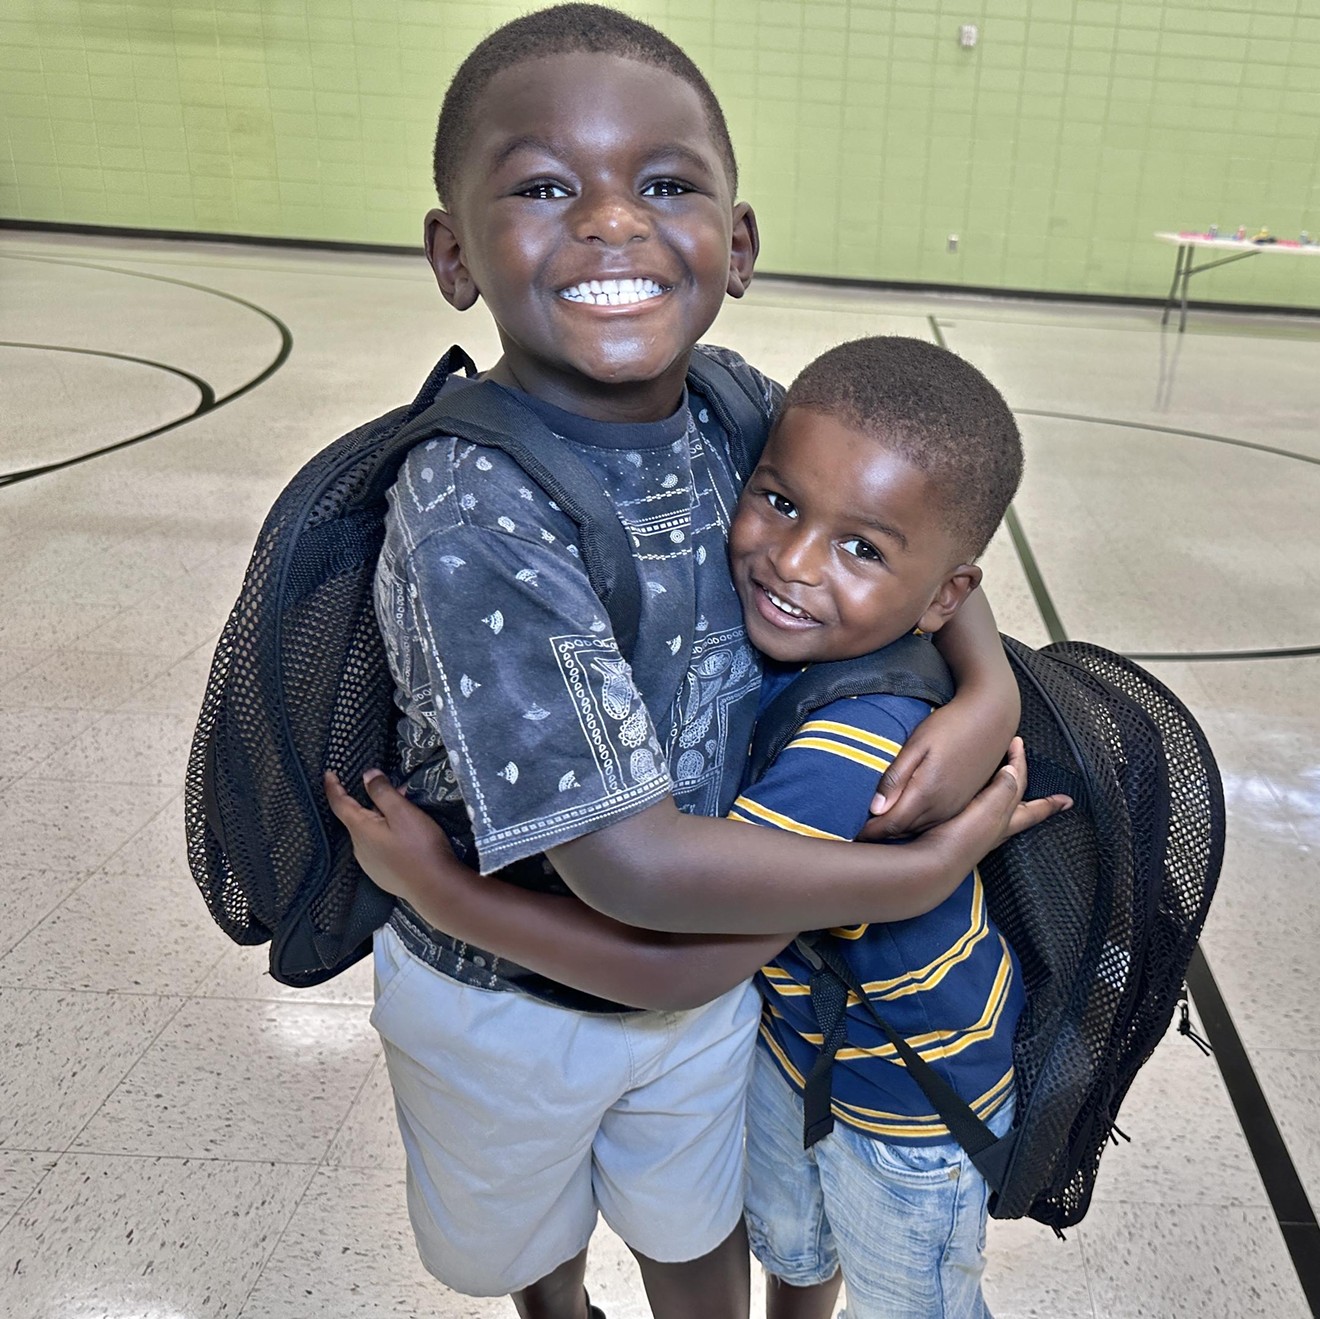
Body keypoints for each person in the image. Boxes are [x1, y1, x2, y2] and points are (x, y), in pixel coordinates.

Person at [341, 7, 1040, 1317]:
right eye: (546, 187)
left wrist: (987, 676)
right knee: (530, 1251)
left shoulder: (727, 398)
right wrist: (928, 865)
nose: (612, 222)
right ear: (453, 255)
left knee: (697, 1239)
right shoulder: (471, 509)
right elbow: (634, 872)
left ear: (738, 243)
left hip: (716, 982)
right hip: (509, 998)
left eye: (664, 185)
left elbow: (903, 532)